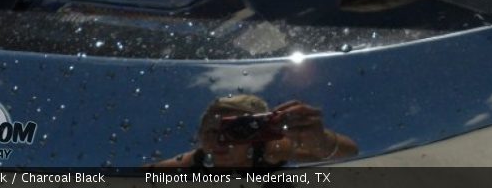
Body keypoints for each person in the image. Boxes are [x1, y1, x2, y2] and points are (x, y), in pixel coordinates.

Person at [152, 94, 358, 168]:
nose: (221, 141)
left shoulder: (270, 150)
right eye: (211, 132)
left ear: (256, 136)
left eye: (235, 130)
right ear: (199, 136)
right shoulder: (197, 160)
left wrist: (320, 140)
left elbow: (349, 153)